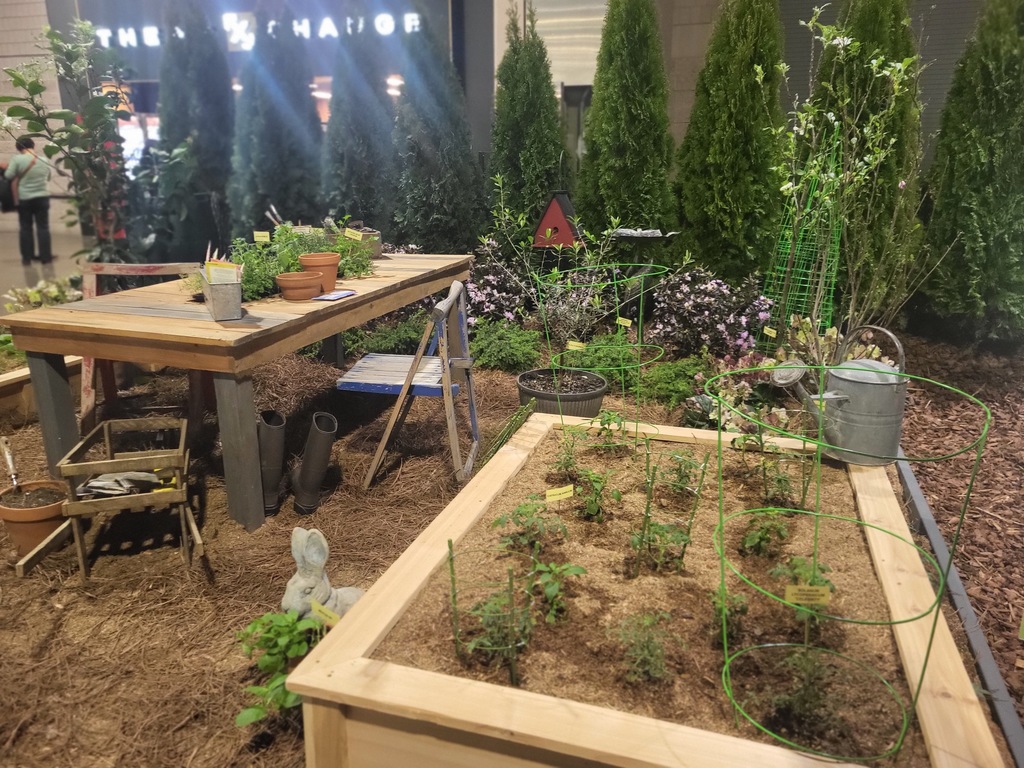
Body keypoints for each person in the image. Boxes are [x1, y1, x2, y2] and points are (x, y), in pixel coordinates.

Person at [1, 138, 52, 265]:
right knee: (43, 227)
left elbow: (8, 176)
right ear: (33, 146)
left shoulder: (17, 159)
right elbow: (48, 176)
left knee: (25, 228)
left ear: (19, 148)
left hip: (25, 198)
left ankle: (27, 258)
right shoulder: (44, 160)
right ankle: (45, 257)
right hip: (42, 197)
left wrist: (6, 168)